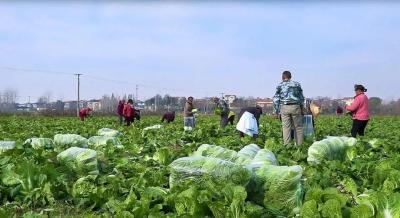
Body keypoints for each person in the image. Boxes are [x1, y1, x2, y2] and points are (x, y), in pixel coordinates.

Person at [273, 71, 305, 146]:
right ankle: (299, 147)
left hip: (285, 107)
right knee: (298, 127)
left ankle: (287, 147)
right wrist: (302, 108)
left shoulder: (280, 85)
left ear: (282, 77)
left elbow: (276, 99)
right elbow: (301, 98)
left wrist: (275, 112)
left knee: (286, 128)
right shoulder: (297, 84)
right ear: (290, 76)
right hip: (295, 107)